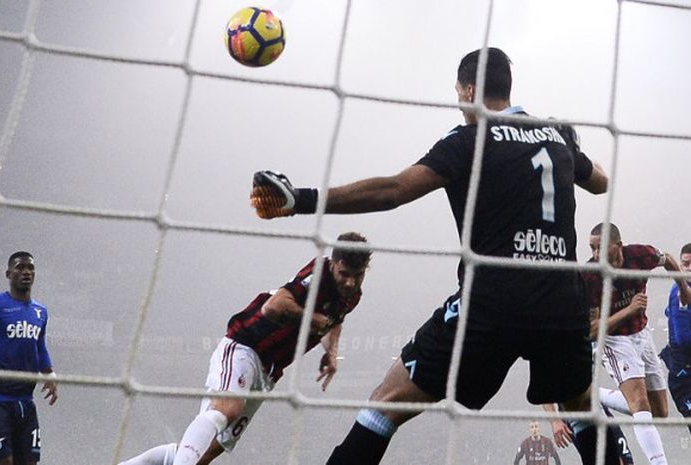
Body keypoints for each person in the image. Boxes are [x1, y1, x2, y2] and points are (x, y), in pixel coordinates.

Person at [250, 47, 621, 465]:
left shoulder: (468, 140)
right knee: (582, 405)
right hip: (561, 303)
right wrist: (570, 143)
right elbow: (602, 183)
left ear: (469, 90)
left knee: (384, 404)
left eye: (460, 94)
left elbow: (393, 190)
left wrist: (300, 199)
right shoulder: (554, 138)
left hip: (492, 302)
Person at [119, 232, 371, 465]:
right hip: (246, 345)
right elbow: (272, 307)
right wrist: (312, 319)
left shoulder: (352, 295)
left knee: (208, 449)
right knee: (228, 408)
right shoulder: (318, 276)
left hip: (269, 371)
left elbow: (334, 322)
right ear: (332, 264)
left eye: (357, 275)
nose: (350, 282)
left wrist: (331, 352)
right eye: (344, 273)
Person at [585, 223, 691, 465]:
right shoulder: (591, 276)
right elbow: (592, 330)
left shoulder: (641, 255)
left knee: (660, 412)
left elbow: (669, 260)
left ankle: (598, 396)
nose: (594, 255)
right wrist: (629, 310)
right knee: (640, 403)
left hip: (641, 335)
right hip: (614, 339)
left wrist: (684, 289)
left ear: (618, 246)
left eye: (600, 248)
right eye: (591, 248)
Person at [0, 251, 58, 465]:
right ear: (9, 273)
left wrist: (49, 373)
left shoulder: (40, 311)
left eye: (30, 268)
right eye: (20, 267)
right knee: (3, 462)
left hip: (26, 402)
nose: (26, 272)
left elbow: (39, 345)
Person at [658, 242, 691, 434]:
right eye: (685, 264)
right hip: (685, 379)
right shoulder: (678, 293)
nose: (689, 269)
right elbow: (683, 339)